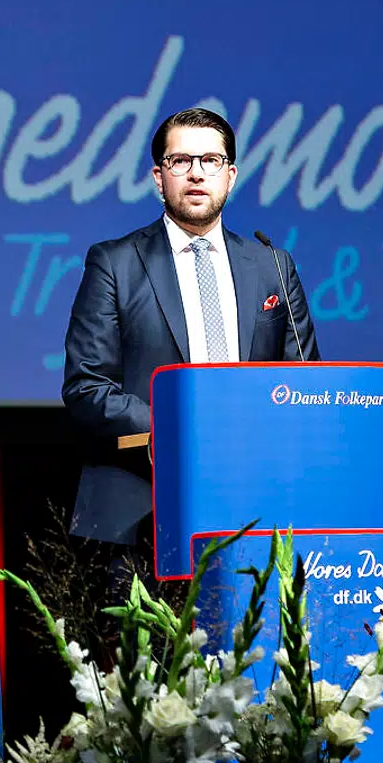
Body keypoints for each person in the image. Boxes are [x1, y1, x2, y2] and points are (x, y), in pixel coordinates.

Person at [61, 107, 321, 543]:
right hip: (143, 509)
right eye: (181, 161)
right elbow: (86, 387)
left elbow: (305, 384)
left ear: (231, 175)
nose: (196, 174)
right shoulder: (114, 263)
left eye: (211, 161)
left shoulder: (272, 264)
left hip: (260, 506)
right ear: (159, 178)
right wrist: (184, 424)